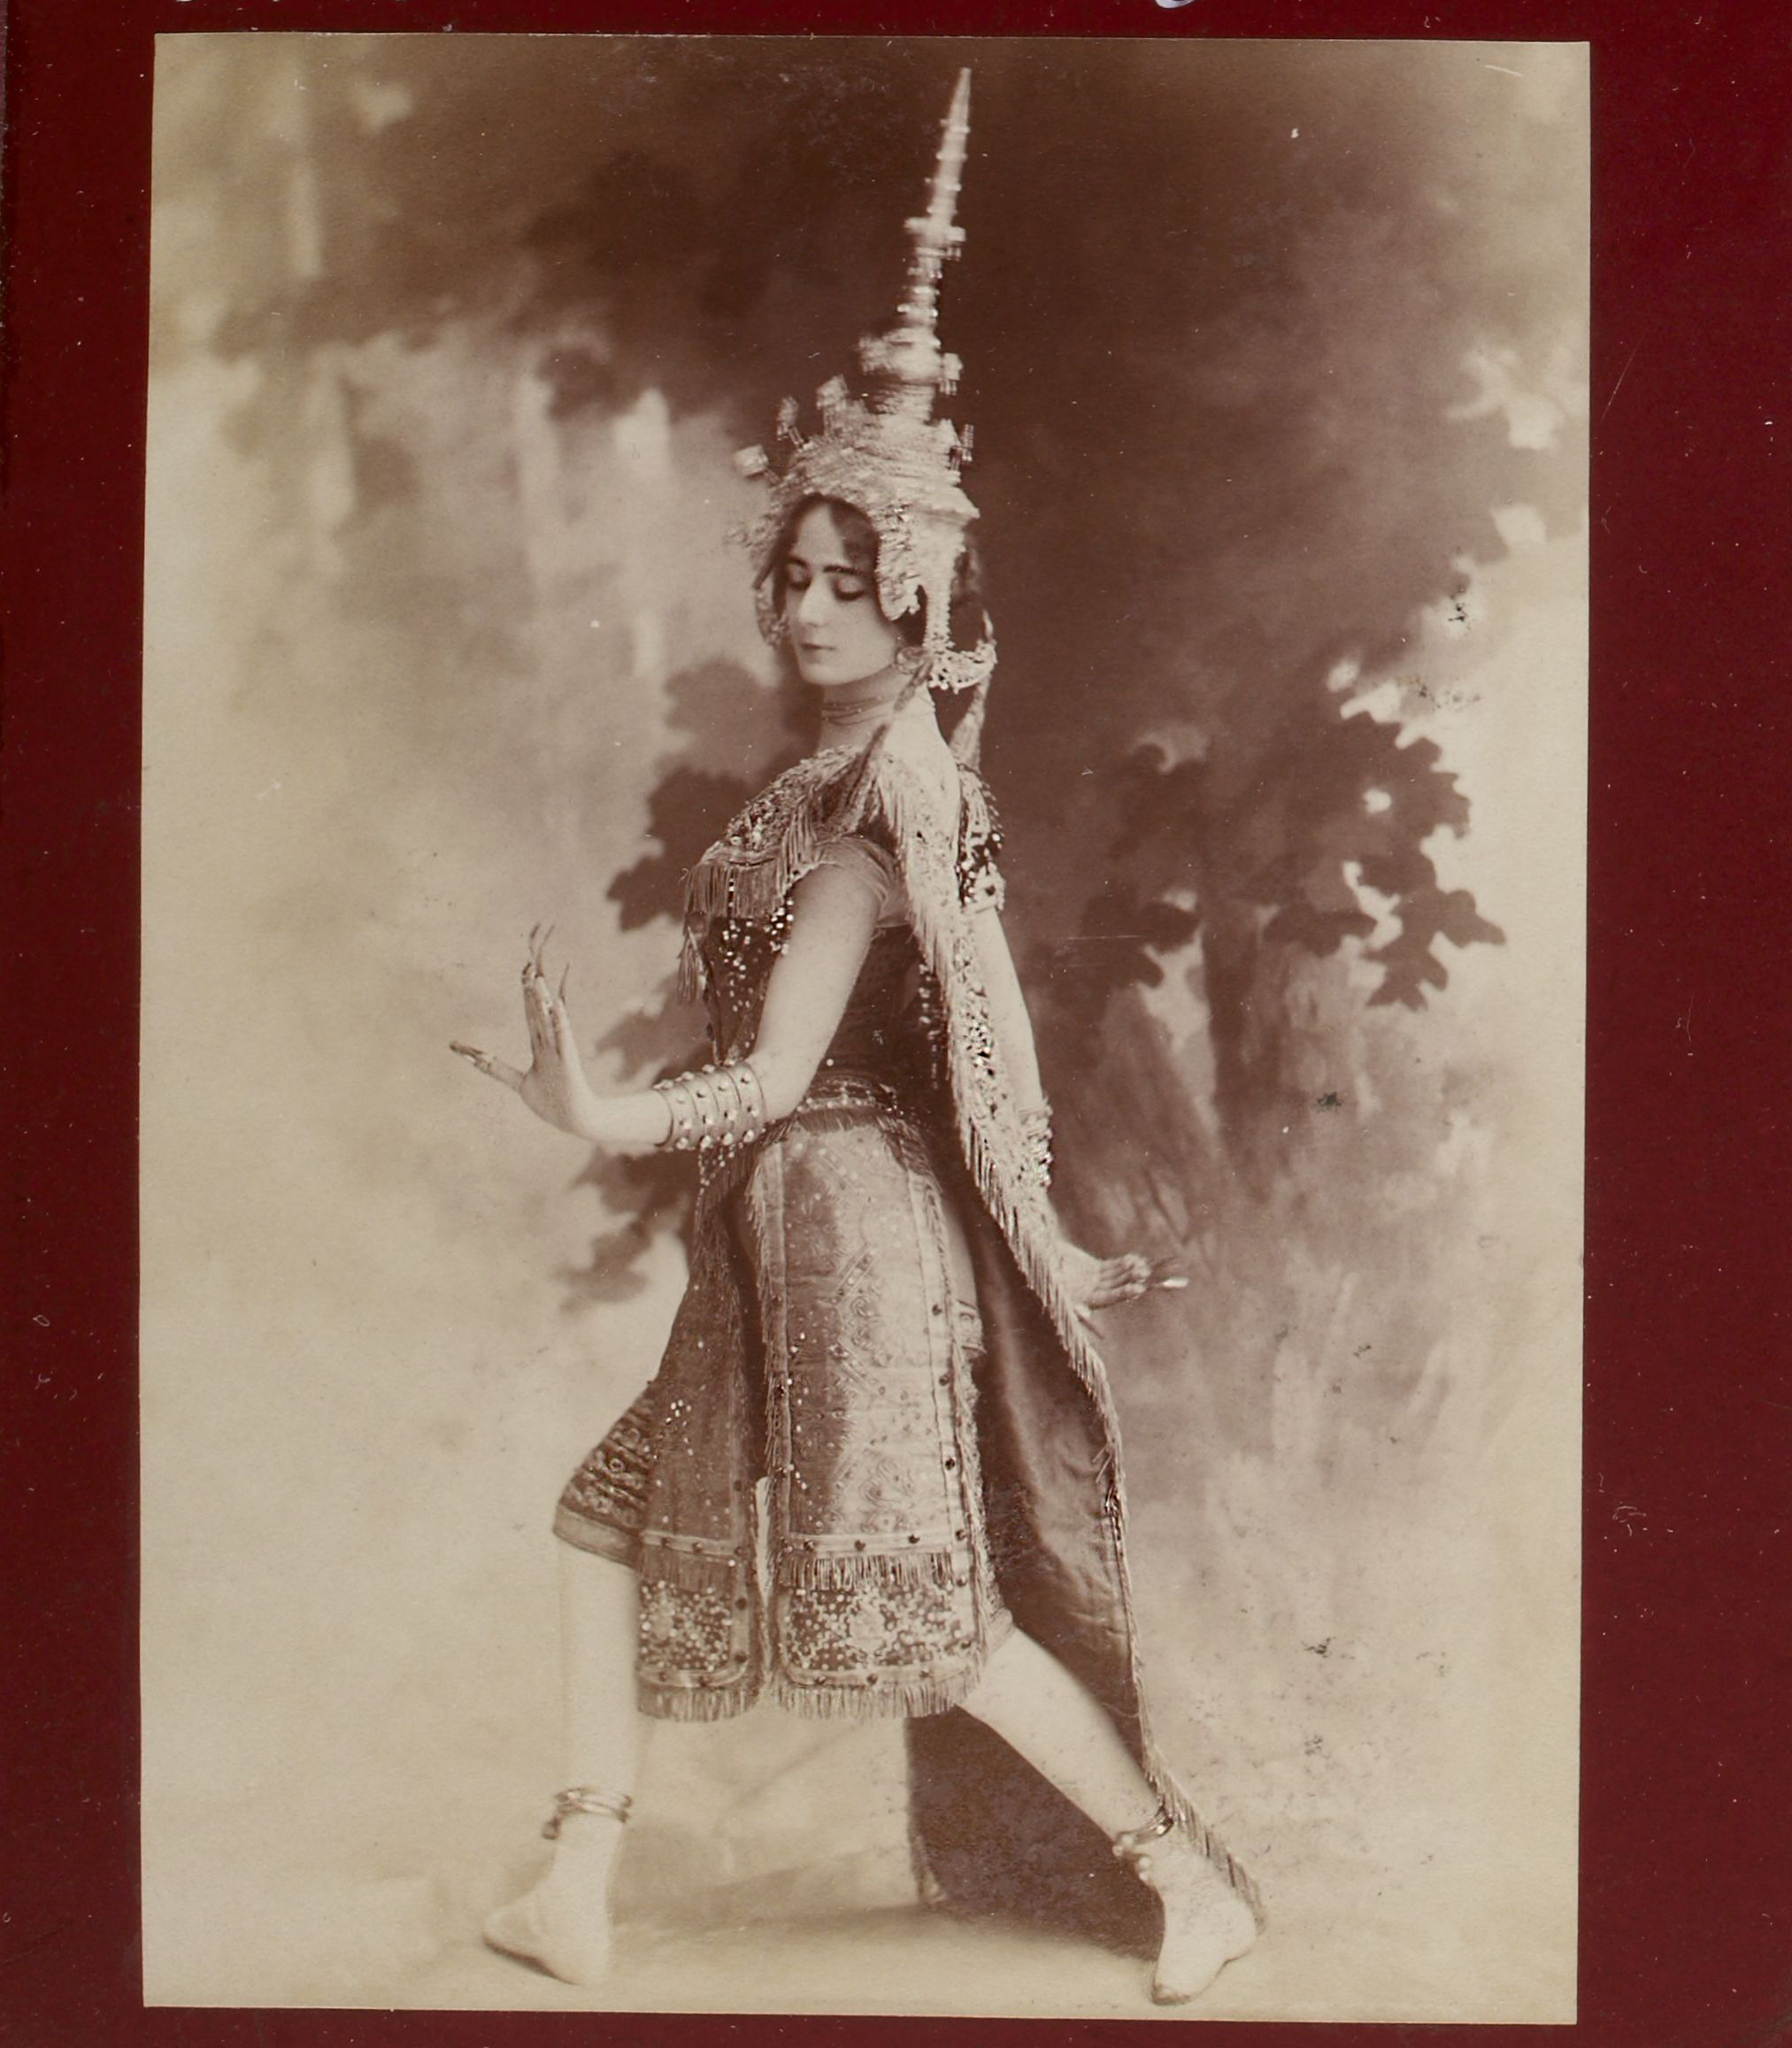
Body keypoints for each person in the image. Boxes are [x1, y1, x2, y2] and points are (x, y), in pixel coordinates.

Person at [452, 70, 1259, 2007]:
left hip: (845, 1230)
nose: (812, 608)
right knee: (606, 1520)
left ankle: (1189, 1882)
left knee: (927, 1610)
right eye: (795, 575)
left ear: (923, 595)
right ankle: (576, 1885)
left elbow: (781, 1066)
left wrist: (594, 1110)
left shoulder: (893, 794)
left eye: (852, 580)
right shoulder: (821, 778)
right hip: (776, 1220)